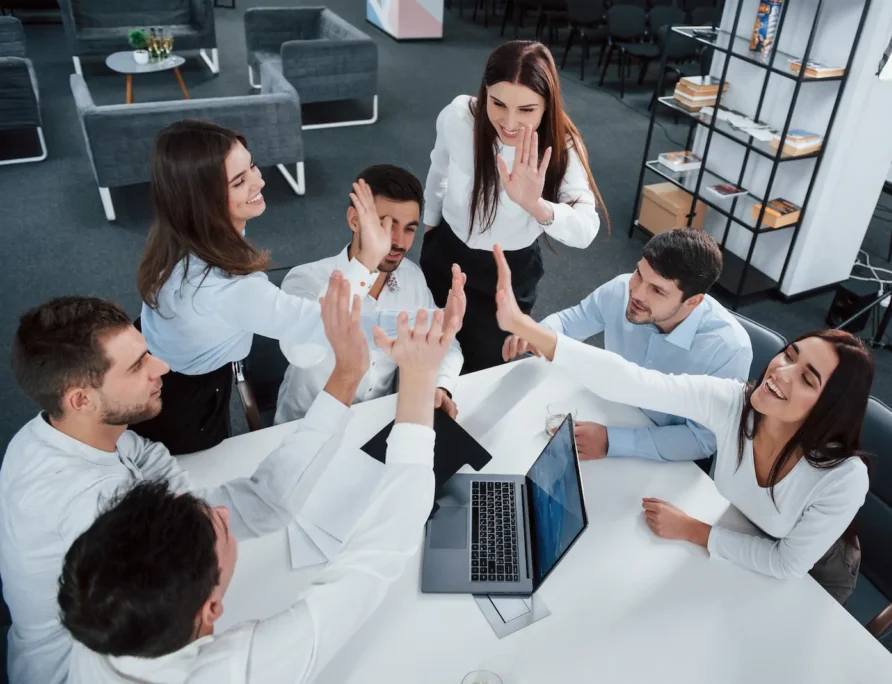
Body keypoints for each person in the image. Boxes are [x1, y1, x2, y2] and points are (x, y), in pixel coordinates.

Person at [0, 274, 385, 684]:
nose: (161, 367)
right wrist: (345, 378)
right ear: (81, 398)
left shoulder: (58, 431)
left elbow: (200, 501)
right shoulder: (92, 506)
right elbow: (260, 507)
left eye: (145, 352)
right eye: (137, 366)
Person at [58, 304, 456, 683]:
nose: (225, 513)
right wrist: (419, 380)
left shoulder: (100, 622)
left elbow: (265, 501)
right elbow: (379, 551)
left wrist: (348, 374)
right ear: (211, 610)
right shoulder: (240, 669)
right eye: (218, 528)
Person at [491, 244, 873, 595]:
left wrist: (695, 531)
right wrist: (529, 329)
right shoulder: (734, 403)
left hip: (815, 569)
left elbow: (786, 562)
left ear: (829, 406)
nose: (781, 371)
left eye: (807, 378)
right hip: (738, 524)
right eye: (789, 354)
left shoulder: (843, 478)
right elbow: (637, 383)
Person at [132, 120, 463, 454]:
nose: (260, 181)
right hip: (177, 394)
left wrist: (437, 359)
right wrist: (419, 317)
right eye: (239, 181)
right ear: (202, 200)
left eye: (252, 167)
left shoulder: (193, 233)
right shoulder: (224, 286)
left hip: (177, 358)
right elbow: (317, 332)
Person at [420, 40, 607, 373]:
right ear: (485, 92)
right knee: (429, 353)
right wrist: (431, 225)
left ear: (547, 105)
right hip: (446, 255)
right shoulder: (459, 115)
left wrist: (535, 205)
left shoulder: (562, 145)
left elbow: (586, 230)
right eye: (498, 103)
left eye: (526, 110)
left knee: (482, 369)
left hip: (505, 275)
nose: (508, 122)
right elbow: (440, 167)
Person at [502, 228, 752, 463]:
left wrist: (612, 441)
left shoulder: (729, 350)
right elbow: (569, 322)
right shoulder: (622, 288)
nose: (637, 294)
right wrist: (536, 334)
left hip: (659, 450)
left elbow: (702, 439)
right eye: (639, 274)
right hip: (609, 409)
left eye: (657, 290)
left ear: (693, 302)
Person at [275, 164, 465, 424]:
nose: (399, 241)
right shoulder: (304, 280)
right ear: (355, 220)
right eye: (385, 225)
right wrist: (365, 264)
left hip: (379, 425)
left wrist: (439, 386)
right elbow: (301, 353)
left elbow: (447, 345)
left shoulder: (411, 279)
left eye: (409, 228)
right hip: (306, 428)